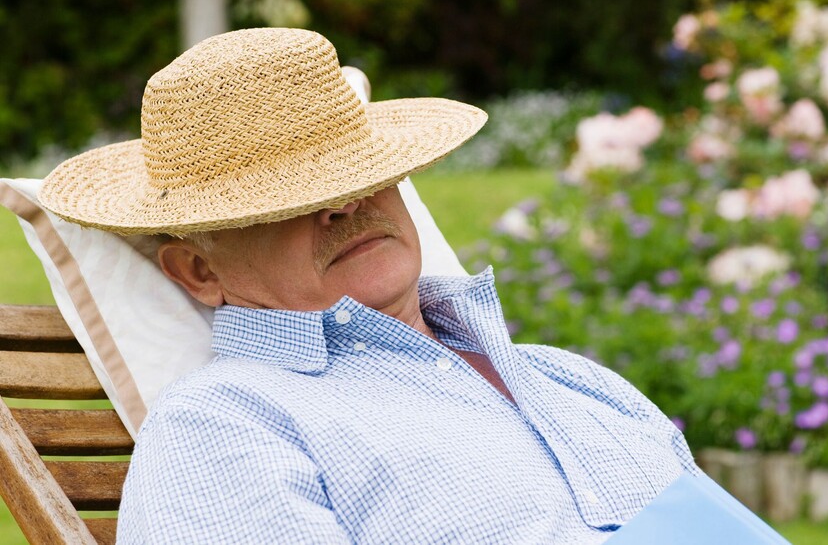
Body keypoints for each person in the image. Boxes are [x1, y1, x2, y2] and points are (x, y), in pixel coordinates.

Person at [39, 28, 699, 543]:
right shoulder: (224, 423)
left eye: (362, 176)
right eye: (286, 202)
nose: (345, 205)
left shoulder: (570, 380)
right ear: (199, 272)